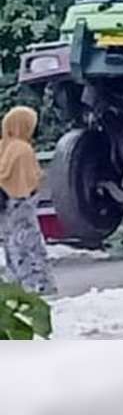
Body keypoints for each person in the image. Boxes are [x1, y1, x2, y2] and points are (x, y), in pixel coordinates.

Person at [0, 106, 56, 296]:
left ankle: (16, 287)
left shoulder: (4, 146)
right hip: (22, 204)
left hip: (5, 206)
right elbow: (31, 179)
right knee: (30, 246)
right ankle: (38, 286)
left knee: (12, 246)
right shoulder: (23, 149)